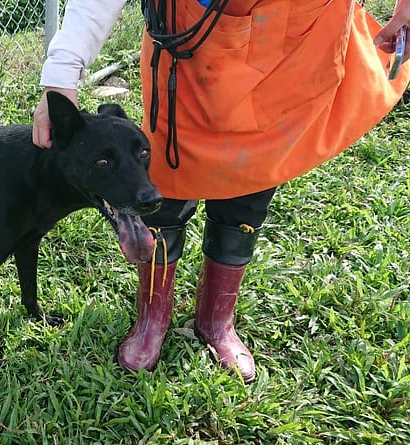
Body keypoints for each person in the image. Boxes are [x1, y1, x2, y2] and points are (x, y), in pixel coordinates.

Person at [33, 0, 410, 382]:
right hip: (192, 46)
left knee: (251, 185)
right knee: (163, 189)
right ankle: (152, 318)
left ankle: (216, 320)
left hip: (298, 46)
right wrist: (63, 72)